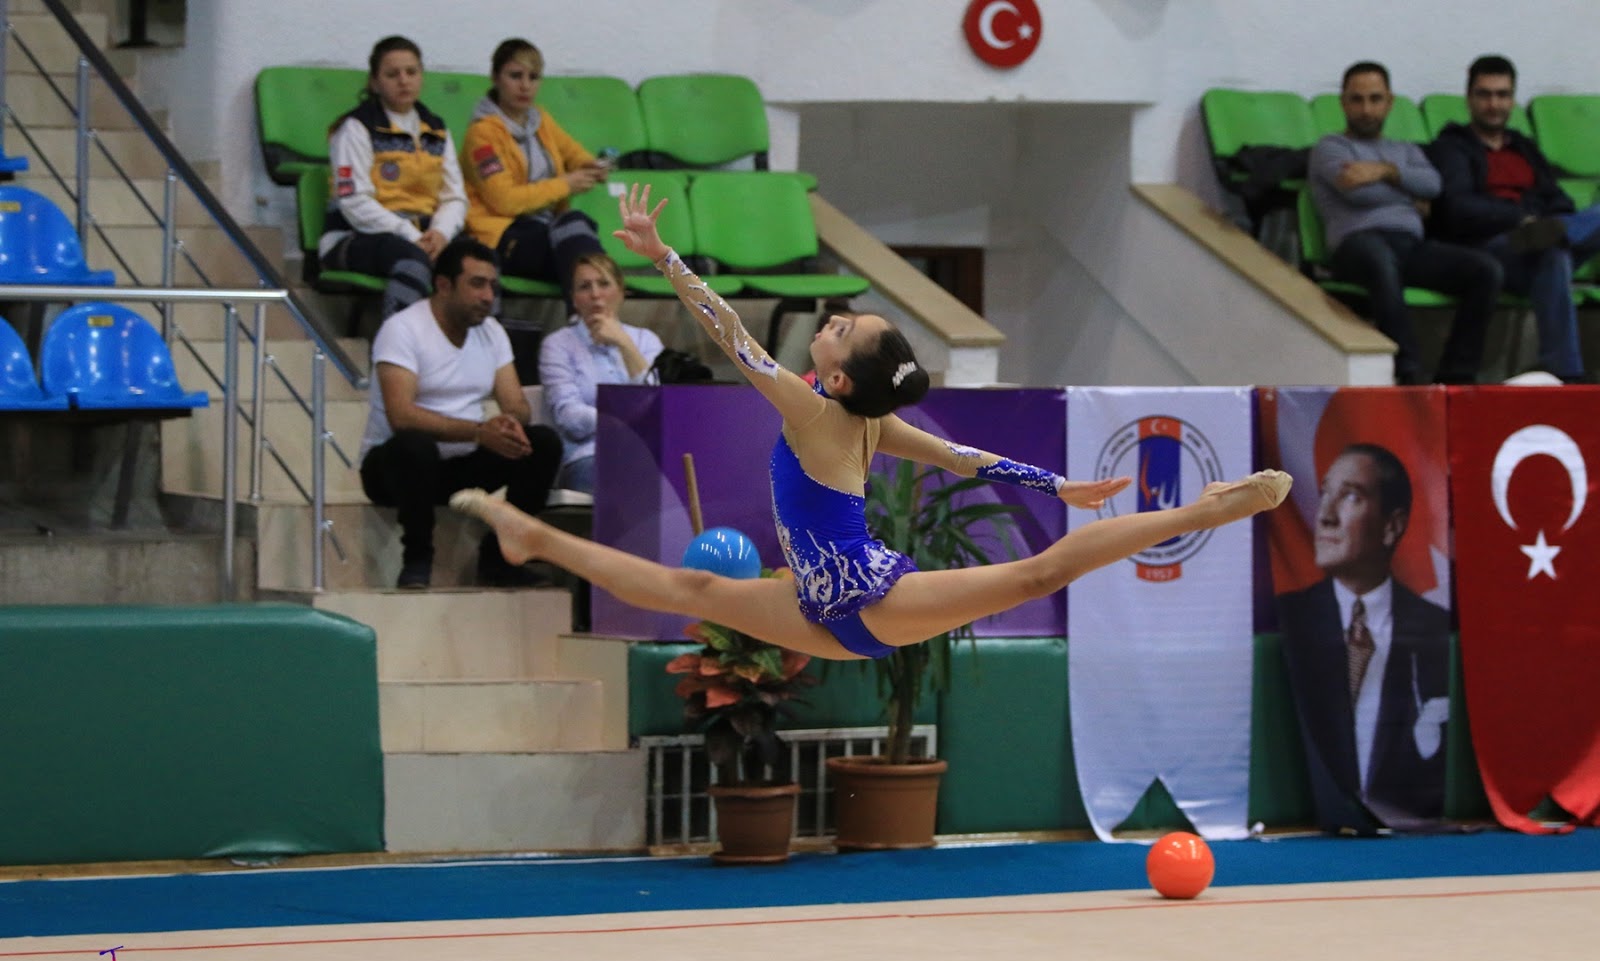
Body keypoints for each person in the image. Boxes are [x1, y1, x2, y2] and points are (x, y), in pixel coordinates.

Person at [451, 184, 1293, 660]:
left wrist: (665, 258)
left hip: (870, 598)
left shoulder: (819, 412)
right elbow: (965, 457)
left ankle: (1205, 508)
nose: (830, 320)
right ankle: (532, 535)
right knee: (691, 589)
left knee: (1036, 575)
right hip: (813, 609)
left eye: (841, 328)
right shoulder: (858, 419)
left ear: (837, 376)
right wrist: (1057, 482)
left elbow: (732, 335)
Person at [360, 238, 562, 589]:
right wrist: (480, 432)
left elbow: (517, 405)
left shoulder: (492, 332)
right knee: (414, 446)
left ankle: (501, 558)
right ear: (444, 285)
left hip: (460, 468)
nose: (488, 296)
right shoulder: (402, 329)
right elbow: (401, 416)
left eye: (493, 286)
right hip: (394, 471)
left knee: (543, 443)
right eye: (477, 284)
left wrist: (509, 423)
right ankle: (417, 559)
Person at [1275, 444, 1450, 832]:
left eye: (1351, 496)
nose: (1325, 516)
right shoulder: (1286, 621)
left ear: (1392, 526)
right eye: (1325, 493)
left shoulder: (1434, 630)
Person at [1310, 62, 1503, 385]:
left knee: (1486, 270)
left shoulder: (1404, 150)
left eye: (1375, 99)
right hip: (1355, 246)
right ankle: (1408, 370)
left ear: (1389, 102)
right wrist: (1407, 192)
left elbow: (1434, 186)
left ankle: (1456, 377)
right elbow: (1358, 193)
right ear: (1343, 103)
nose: (1366, 109)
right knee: (1380, 259)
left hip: (1408, 246)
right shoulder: (1331, 147)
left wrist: (1387, 172)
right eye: (1357, 100)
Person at [1428, 54, 1600, 384]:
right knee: (1553, 253)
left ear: (1512, 100)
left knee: (1554, 245)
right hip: (1491, 248)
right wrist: (1522, 219)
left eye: (1502, 95)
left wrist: (1551, 224)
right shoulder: (1452, 147)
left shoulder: (1523, 148)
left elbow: (1559, 199)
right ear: (1469, 99)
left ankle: (1562, 232)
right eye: (1484, 95)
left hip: (1539, 241)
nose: (1494, 104)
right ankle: (1567, 373)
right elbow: (1459, 208)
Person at [322, 35, 468, 321]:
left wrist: (440, 234)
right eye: (392, 74)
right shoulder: (356, 128)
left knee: (477, 262)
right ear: (375, 83)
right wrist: (411, 236)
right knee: (411, 260)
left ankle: (474, 347)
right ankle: (398, 344)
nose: (403, 81)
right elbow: (354, 201)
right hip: (356, 236)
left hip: (423, 235)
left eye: (411, 72)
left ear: (421, 77)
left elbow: (455, 197)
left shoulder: (436, 129)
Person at [461, 37, 607, 301]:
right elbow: (505, 201)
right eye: (515, 76)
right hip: (501, 237)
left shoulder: (539, 120)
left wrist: (592, 166)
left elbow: (573, 153)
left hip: (547, 231)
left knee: (580, 253)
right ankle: (595, 318)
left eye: (534, 77)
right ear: (495, 78)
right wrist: (566, 184)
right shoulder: (481, 135)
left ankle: (586, 318)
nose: (525, 86)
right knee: (582, 249)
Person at [538, 252, 664, 492]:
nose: (595, 294)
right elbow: (570, 417)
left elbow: (657, 406)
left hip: (646, 453)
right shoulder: (558, 344)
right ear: (574, 299)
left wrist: (625, 344)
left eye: (604, 284)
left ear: (621, 291)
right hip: (589, 456)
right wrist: (627, 419)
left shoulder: (646, 340)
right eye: (584, 287)